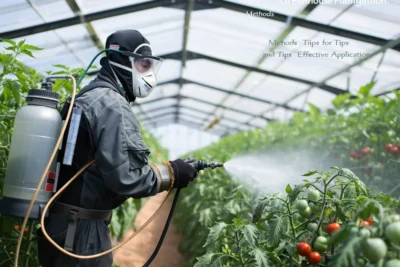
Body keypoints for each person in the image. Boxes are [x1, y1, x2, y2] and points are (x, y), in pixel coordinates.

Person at [36, 29, 199, 267]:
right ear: (123, 61)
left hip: (59, 224)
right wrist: (172, 173)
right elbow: (126, 178)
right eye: (143, 65)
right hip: (81, 232)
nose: (150, 75)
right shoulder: (112, 105)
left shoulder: (86, 96)